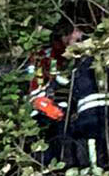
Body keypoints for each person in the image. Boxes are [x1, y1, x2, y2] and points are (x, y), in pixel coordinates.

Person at [26, 19, 83, 163]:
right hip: (48, 107)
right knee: (56, 140)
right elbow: (55, 80)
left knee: (54, 141)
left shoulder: (47, 55)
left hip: (52, 107)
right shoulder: (49, 56)